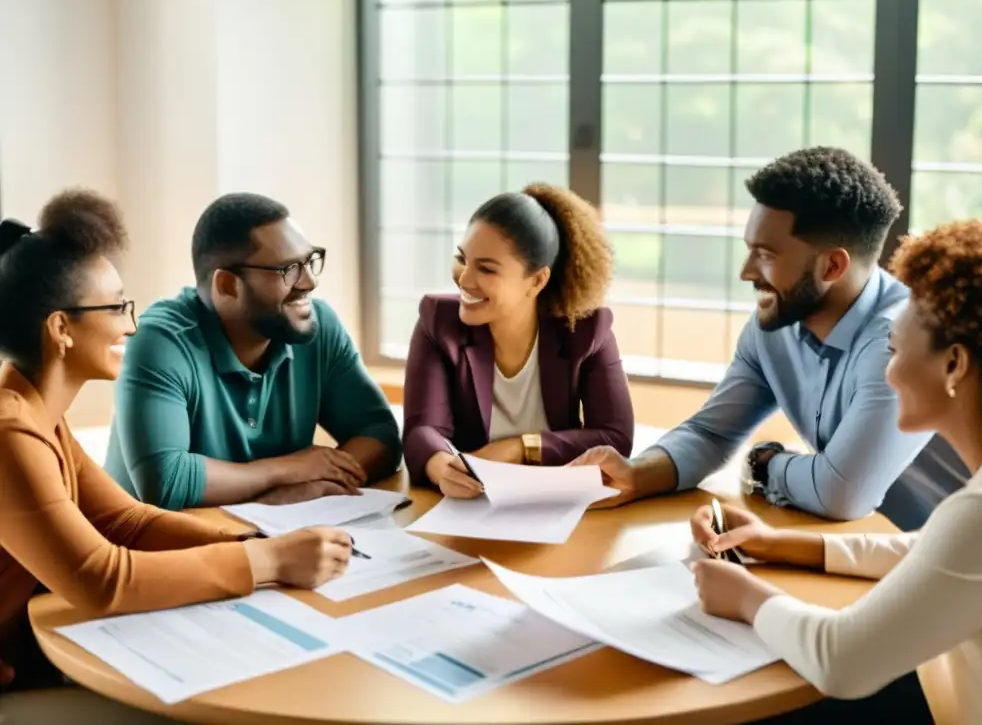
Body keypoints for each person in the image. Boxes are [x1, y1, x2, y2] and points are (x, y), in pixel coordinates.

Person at [0, 191, 354, 719]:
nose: (131, 325)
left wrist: (251, 539)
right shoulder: (10, 433)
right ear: (61, 329)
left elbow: (124, 520)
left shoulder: (37, 413)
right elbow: (103, 579)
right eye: (117, 306)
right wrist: (270, 561)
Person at [689, 219, 982, 723]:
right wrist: (782, 545)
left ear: (954, 366)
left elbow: (842, 662)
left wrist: (746, 596)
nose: (886, 371)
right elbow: (934, 550)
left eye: (893, 349)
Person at [571, 147, 941, 525]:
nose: (746, 272)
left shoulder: (899, 342)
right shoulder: (775, 328)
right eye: (749, 250)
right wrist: (636, 474)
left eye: (765, 255)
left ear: (832, 265)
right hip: (859, 548)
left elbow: (840, 495)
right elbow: (711, 433)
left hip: (954, 560)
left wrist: (765, 464)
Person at [104, 193, 401, 511]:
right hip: (153, 548)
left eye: (309, 260)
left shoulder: (317, 325)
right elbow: (166, 482)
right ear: (228, 285)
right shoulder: (160, 340)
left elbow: (379, 435)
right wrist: (287, 471)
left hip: (270, 540)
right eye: (288, 269)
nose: (310, 281)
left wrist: (311, 489)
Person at [403, 183, 633, 496]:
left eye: (485, 268)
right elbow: (422, 430)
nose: (464, 279)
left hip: (556, 501)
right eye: (462, 259)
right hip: (472, 505)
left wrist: (520, 448)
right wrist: (443, 467)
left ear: (537, 280)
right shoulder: (438, 323)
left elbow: (615, 437)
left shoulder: (585, 330)